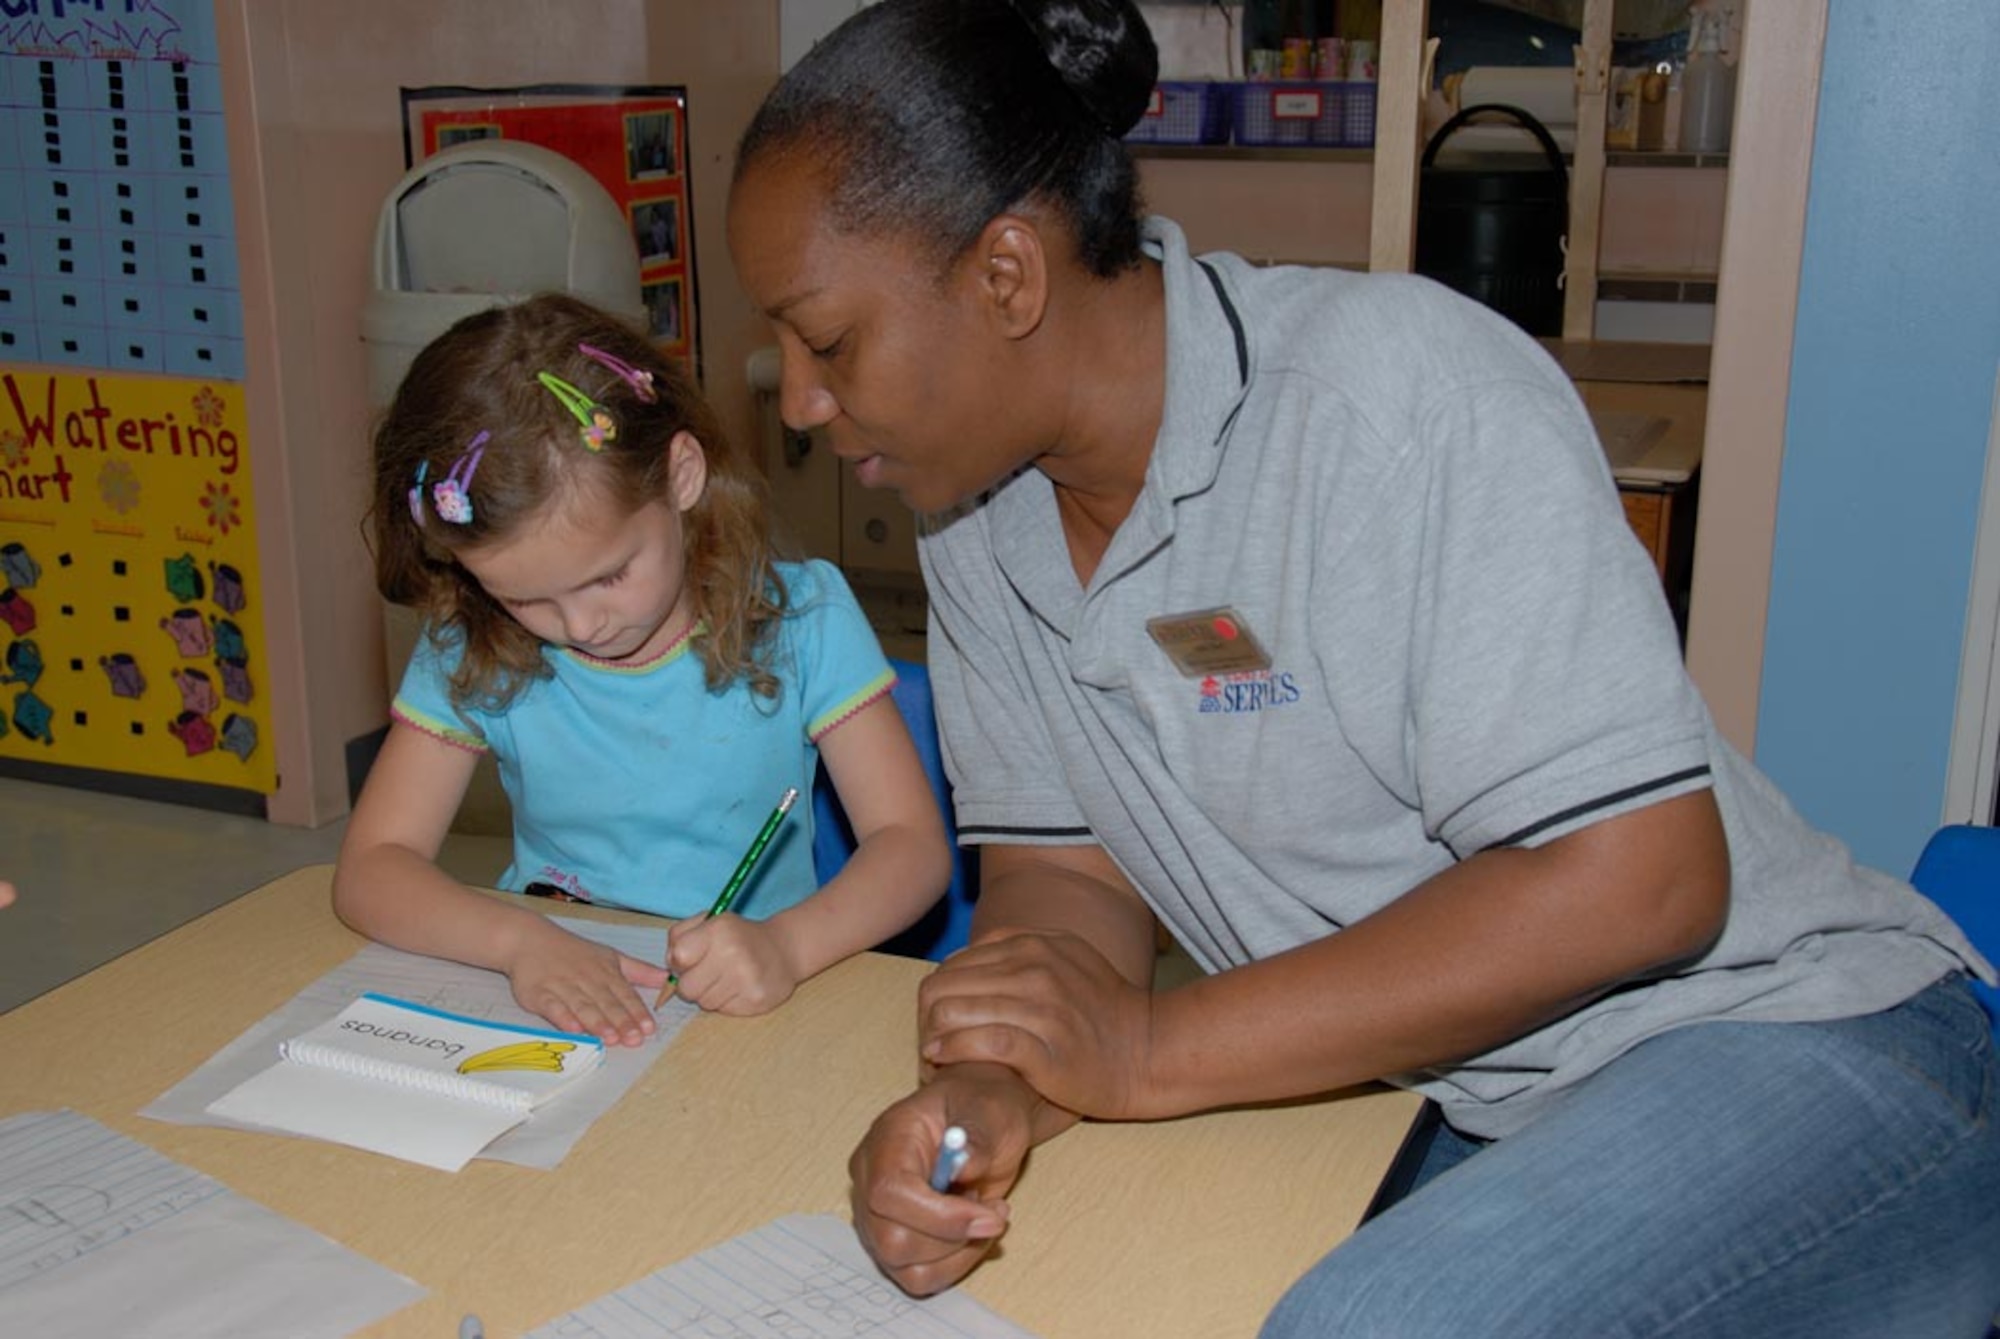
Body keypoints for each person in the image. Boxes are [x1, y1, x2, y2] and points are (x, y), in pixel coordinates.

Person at [725, 1, 2000, 1332]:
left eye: (829, 340)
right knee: (1118, 1279)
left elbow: (1647, 880)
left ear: (1006, 276)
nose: (801, 400)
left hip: (1795, 1044)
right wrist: (1004, 1085)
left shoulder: (1394, 402)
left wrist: (1151, 1043)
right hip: (1469, 1093)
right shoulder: (978, 517)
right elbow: (1067, 872)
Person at [337, 293, 952, 1047]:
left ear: (680, 476)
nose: (582, 625)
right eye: (527, 596)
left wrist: (788, 945)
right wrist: (519, 941)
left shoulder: (802, 621)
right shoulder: (478, 639)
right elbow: (372, 867)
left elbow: (911, 846)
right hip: (551, 990)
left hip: (752, 997)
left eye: (609, 575)